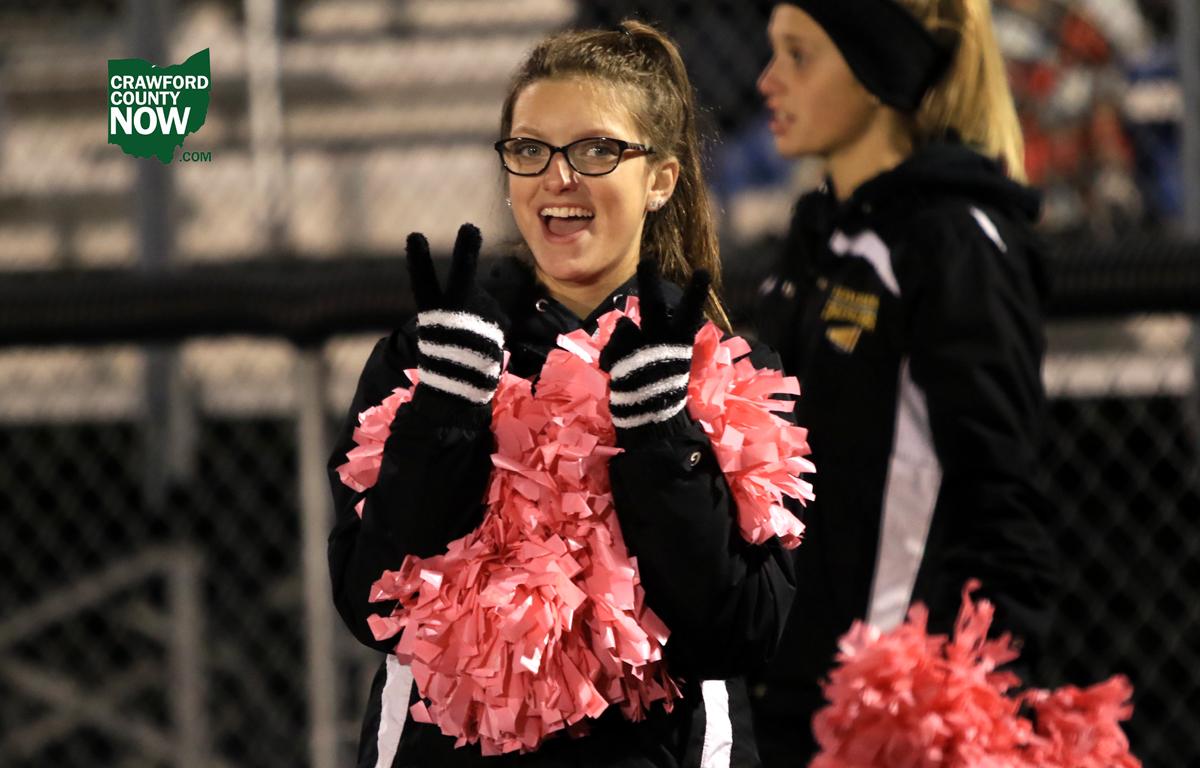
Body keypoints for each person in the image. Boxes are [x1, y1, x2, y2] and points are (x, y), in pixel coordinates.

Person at [328, 21, 803, 768]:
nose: (558, 177)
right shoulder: (433, 354)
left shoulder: (727, 374)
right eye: (530, 150)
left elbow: (740, 629)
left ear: (661, 180)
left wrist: (660, 437)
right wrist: (445, 417)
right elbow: (372, 601)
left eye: (596, 150)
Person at [747, 0, 1059, 764]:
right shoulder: (818, 237)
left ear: (875, 71)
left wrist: (978, 715)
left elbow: (1003, 504)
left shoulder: (955, 241)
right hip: (785, 703)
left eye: (799, 55)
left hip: (889, 722)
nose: (767, 81)